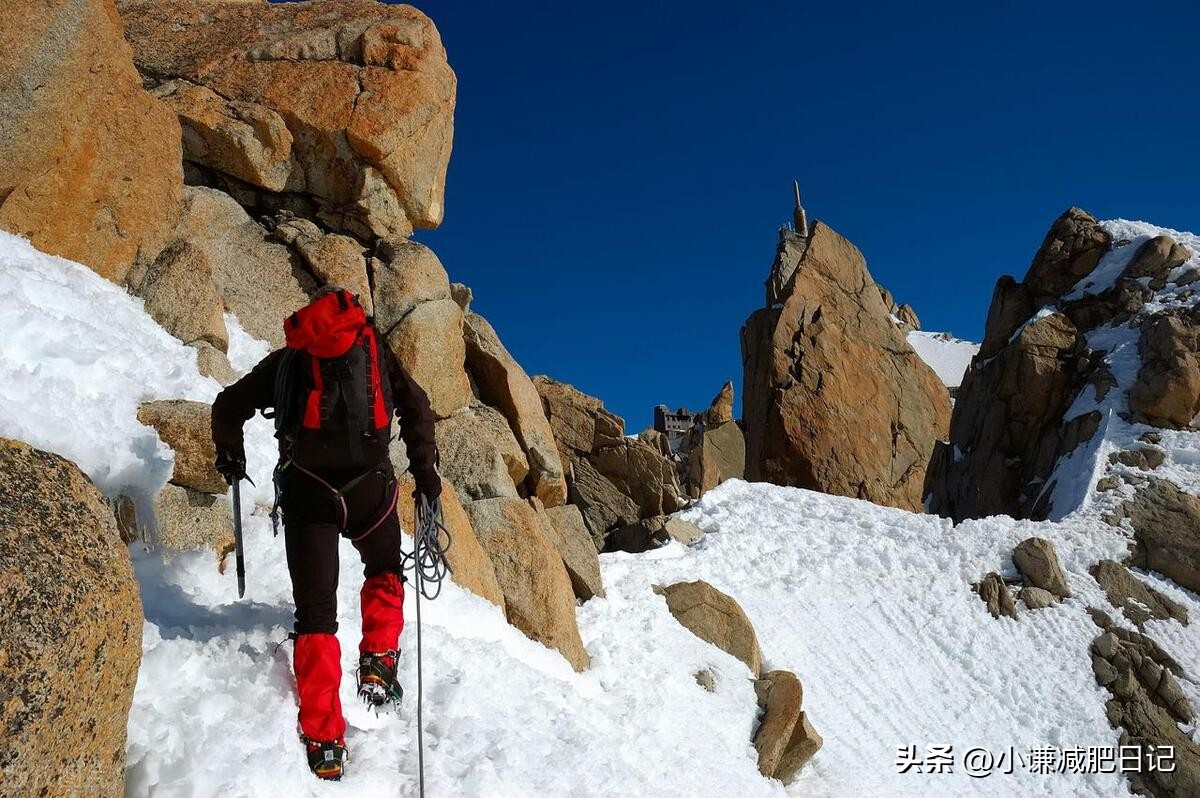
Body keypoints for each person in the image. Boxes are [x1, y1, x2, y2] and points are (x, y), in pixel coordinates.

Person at [210, 286, 441, 781]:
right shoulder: (372, 347)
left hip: (309, 493)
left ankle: (325, 737)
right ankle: (379, 656)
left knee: (315, 614)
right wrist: (427, 480)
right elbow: (417, 408)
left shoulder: (289, 361)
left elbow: (227, 407)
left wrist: (231, 456)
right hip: (370, 490)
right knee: (382, 566)